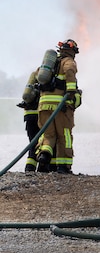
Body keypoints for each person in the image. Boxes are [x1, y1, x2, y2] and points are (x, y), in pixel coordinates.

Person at [37, 39, 81, 174]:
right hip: (60, 106)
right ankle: (63, 166)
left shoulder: (50, 65)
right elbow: (69, 71)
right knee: (64, 135)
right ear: (72, 51)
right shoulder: (67, 62)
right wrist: (71, 91)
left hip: (44, 105)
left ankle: (44, 156)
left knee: (49, 134)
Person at [16, 69, 41, 173]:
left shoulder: (34, 75)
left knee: (32, 143)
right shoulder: (50, 77)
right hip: (41, 115)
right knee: (45, 142)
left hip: (29, 116)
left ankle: (29, 169)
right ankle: (43, 168)